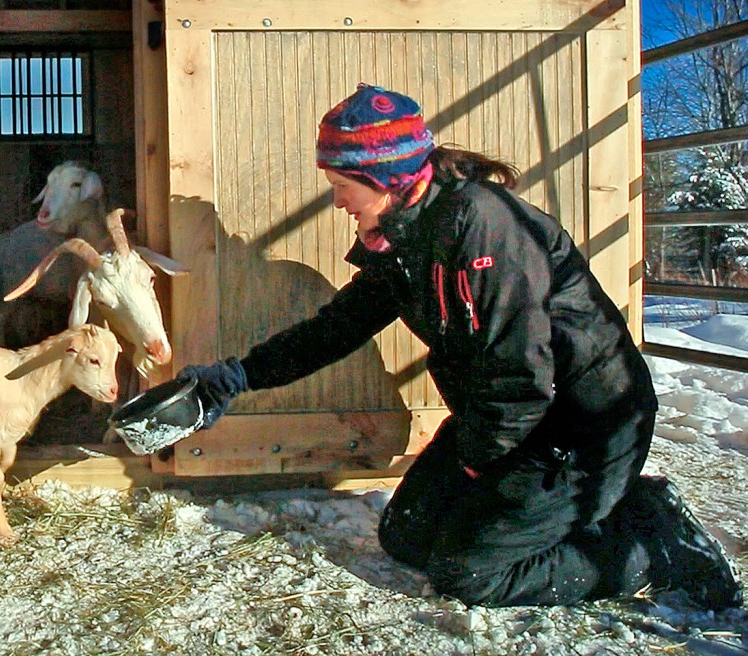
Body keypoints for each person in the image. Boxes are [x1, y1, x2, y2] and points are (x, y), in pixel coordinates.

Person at [173, 83, 743, 609]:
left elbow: (522, 379)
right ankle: (569, 515)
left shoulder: (485, 230)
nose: (338, 201)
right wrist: (236, 377)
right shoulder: (403, 234)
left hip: (581, 428)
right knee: (407, 537)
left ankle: (649, 544)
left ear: (385, 178)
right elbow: (338, 326)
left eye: (341, 186)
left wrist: (476, 465)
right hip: (508, 420)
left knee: (469, 574)